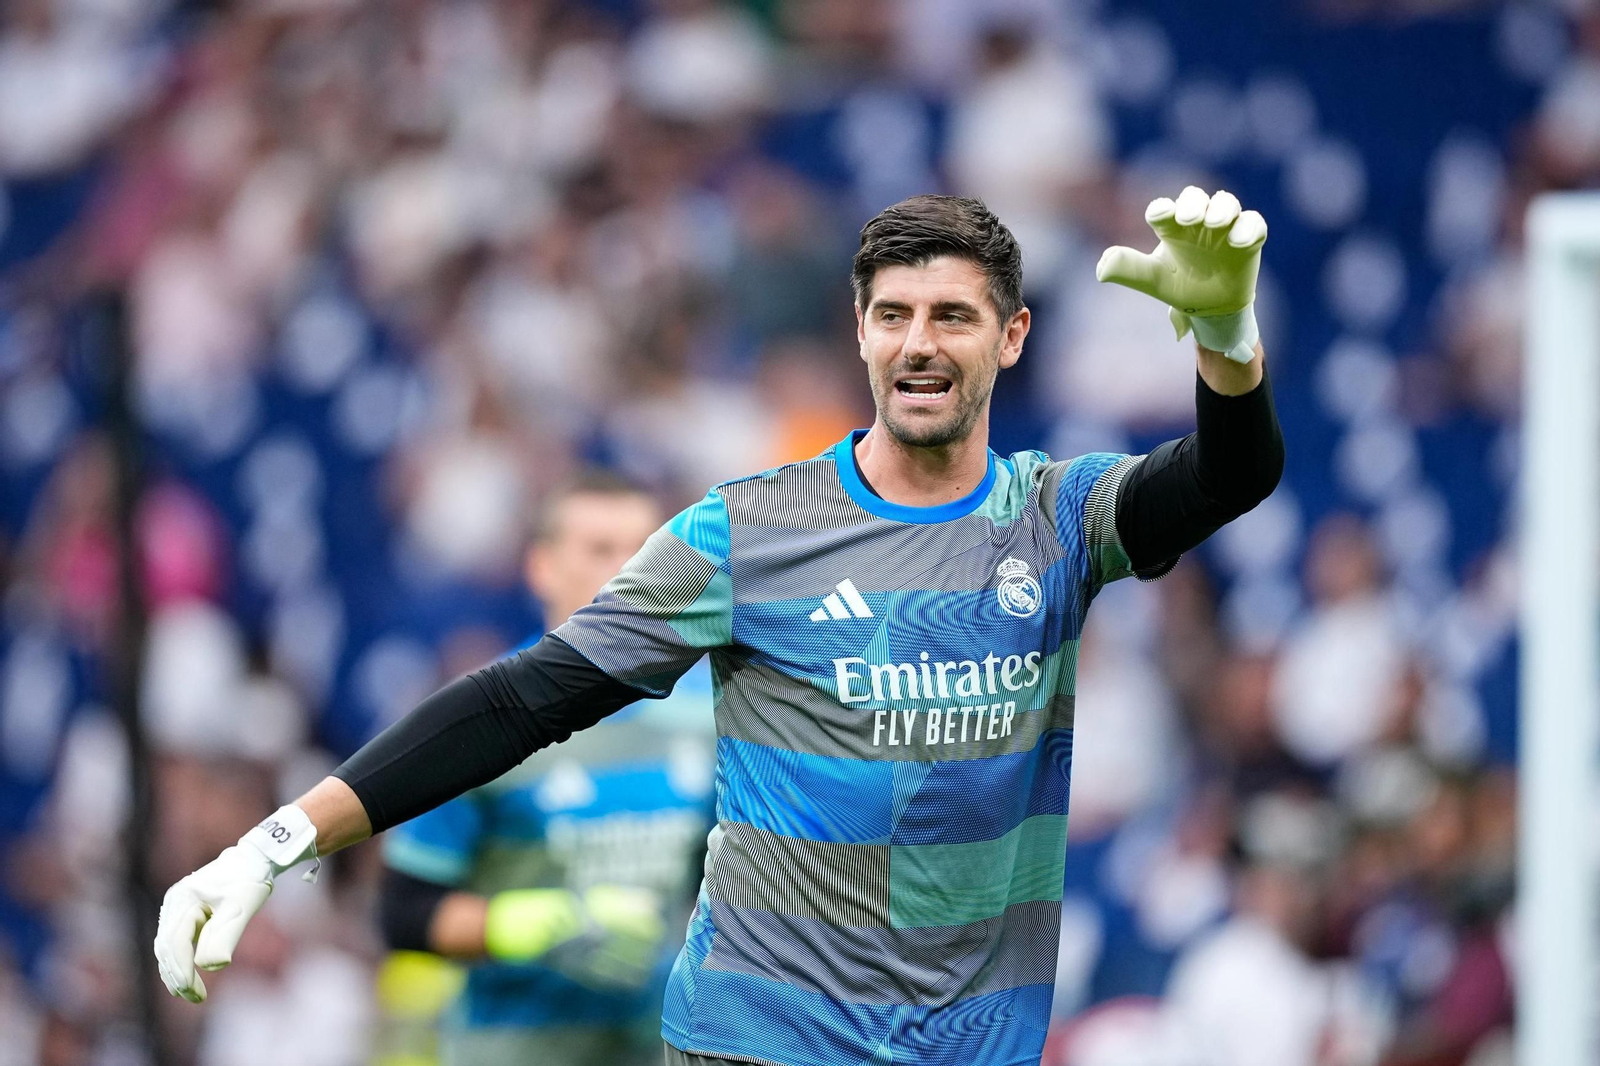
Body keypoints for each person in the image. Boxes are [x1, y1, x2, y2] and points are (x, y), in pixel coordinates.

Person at [156, 187, 1285, 1066]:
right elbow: (525, 697)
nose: (920, 344)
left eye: (953, 315)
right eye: (893, 315)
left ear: (1014, 337)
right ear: (858, 333)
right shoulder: (745, 532)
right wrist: (278, 842)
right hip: (758, 1044)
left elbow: (1226, 476)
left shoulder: (1057, 517)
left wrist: (1226, 343)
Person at [376, 474, 715, 1066]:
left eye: (643, 552)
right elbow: (402, 914)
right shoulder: (486, 717)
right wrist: (526, 925)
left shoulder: (707, 715)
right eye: (599, 550)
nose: (624, 572)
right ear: (542, 567)